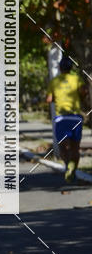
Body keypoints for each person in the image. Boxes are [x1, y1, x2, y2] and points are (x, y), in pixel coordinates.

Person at [46, 55, 86, 183]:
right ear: (71, 68)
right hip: (75, 118)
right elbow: (84, 91)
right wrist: (80, 98)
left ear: (60, 68)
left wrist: (57, 98)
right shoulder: (76, 79)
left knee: (63, 147)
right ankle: (73, 168)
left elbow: (49, 99)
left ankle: (68, 164)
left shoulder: (54, 81)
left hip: (61, 118)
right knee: (75, 147)